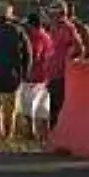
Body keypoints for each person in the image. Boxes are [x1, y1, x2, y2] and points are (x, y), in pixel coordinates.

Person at [0, 3, 33, 144]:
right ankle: (7, 136)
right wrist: (25, 72)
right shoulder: (19, 31)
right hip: (13, 76)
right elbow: (28, 54)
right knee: (10, 110)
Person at [43, 0, 87, 133]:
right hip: (52, 71)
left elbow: (80, 48)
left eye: (54, 12)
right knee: (53, 106)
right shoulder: (52, 27)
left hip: (62, 72)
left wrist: (70, 58)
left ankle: (61, 134)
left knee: (59, 106)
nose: (52, 15)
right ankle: (54, 136)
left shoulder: (68, 27)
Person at [20, 11, 55, 143]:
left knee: (28, 110)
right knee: (43, 112)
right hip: (45, 77)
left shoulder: (36, 37)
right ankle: (44, 139)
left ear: (31, 25)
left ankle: (32, 137)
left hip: (33, 78)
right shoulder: (47, 36)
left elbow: (34, 56)